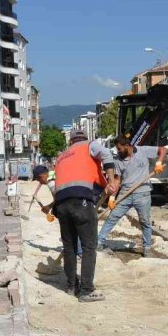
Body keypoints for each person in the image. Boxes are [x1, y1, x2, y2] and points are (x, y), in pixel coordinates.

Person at [52, 129, 116, 302]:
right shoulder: (89, 146)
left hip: (61, 204)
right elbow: (107, 155)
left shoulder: (62, 156)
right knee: (89, 246)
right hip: (80, 201)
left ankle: (71, 286)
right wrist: (111, 181)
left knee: (70, 246)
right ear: (84, 139)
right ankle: (86, 290)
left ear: (71, 141)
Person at [97, 135, 167, 257]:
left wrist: (159, 161)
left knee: (144, 221)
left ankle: (147, 247)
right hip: (125, 194)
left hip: (143, 192)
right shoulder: (118, 160)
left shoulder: (142, 151)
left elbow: (163, 149)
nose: (118, 151)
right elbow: (117, 180)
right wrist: (113, 197)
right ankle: (99, 241)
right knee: (112, 217)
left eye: (119, 148)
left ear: (127, 145)